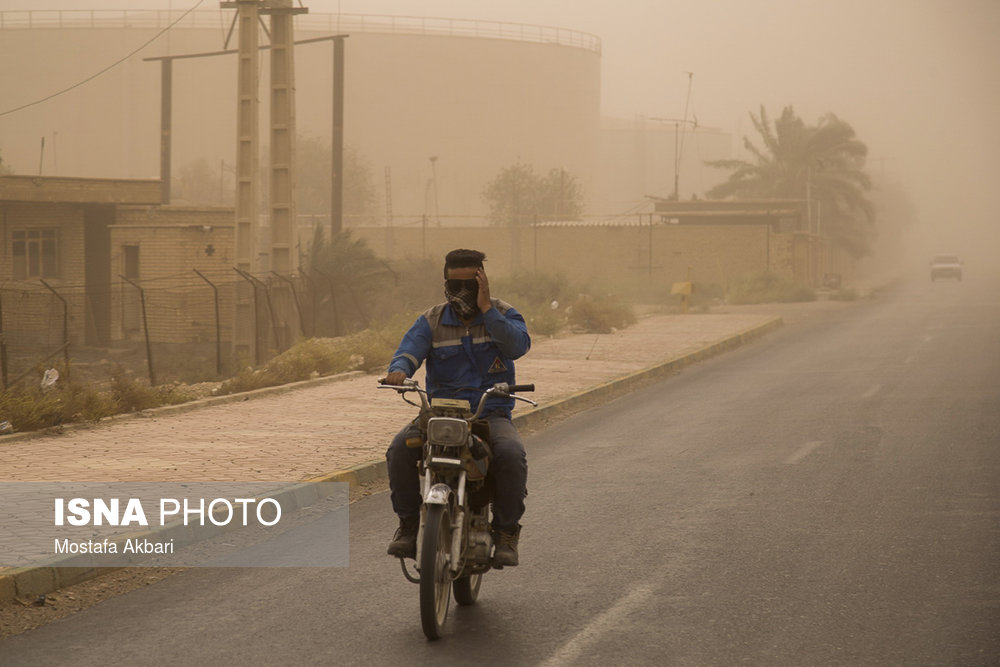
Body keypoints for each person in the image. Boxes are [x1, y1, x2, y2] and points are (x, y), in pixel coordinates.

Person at [383, 249, 531, 566]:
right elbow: (409, 350)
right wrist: (399, 371)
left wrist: (488, 309)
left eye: (471, 284)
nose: (462, 291)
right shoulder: (431, 320)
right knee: (399, 449)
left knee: (511, 455)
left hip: (489, 413)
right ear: (445, 282)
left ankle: (506, 532)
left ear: (483, 281)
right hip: (439, 413)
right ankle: (408, 526)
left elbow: (518, 346)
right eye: (456, 284)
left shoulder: (504, 314)